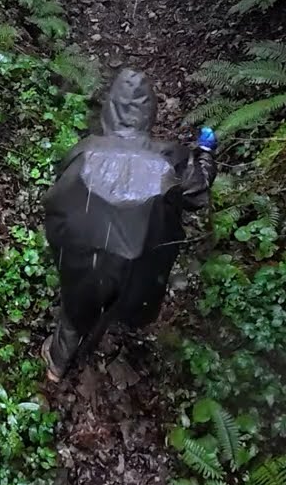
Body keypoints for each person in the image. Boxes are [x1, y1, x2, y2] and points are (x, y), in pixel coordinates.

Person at [41, 68, 215, 382]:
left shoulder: (84, 150)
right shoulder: (170, 158)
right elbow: (197, 194)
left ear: (109, 109)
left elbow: (58, 196)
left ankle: (57, 365)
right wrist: (204, 154)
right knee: (119, 304)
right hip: (138, 263)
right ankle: (105, 337)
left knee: (74, 308)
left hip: (85, 256)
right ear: (150, 114)